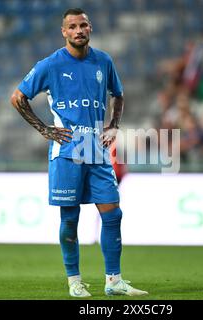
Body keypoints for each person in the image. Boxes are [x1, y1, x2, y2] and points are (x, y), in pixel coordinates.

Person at [10, 8, 148, 298]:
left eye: (83, 25)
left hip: (96, 151)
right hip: (67, 151)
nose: (78, 30)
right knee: (70, 220)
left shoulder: (104, 61)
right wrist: (45, 130)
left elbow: (118, 95)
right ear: (64, 32)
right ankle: (74, 281)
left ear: (90, 28)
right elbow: (18, 98)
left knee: (113, 215)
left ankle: (114, 281)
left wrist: (114, 126)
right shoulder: (50, 64)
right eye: (72, 26)